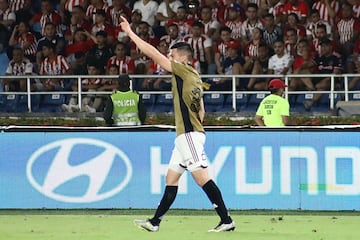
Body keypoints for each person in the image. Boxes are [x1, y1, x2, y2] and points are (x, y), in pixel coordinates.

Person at [120, 15, 235, 233]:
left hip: (188, 135)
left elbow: (152, 53)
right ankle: (155, 222)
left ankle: (226, 219)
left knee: (202, 178)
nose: (168, 58)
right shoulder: (196, 76)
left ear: (182, 58)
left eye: (171, 55)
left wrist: (130, 33)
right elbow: (202, 110)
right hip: (188, 134)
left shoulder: (182, 70)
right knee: (171, 178)